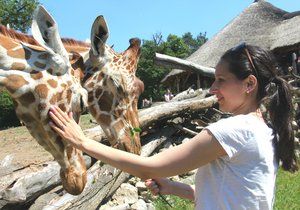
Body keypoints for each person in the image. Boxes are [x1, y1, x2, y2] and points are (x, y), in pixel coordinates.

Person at [49, 43, 298, 210]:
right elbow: (237, 195)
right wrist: (174, 188)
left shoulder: (235, 130)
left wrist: (82, 142)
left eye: (221, 80)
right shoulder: (264, 130)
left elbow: (149, 168)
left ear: (249, 84)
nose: (213, 88)